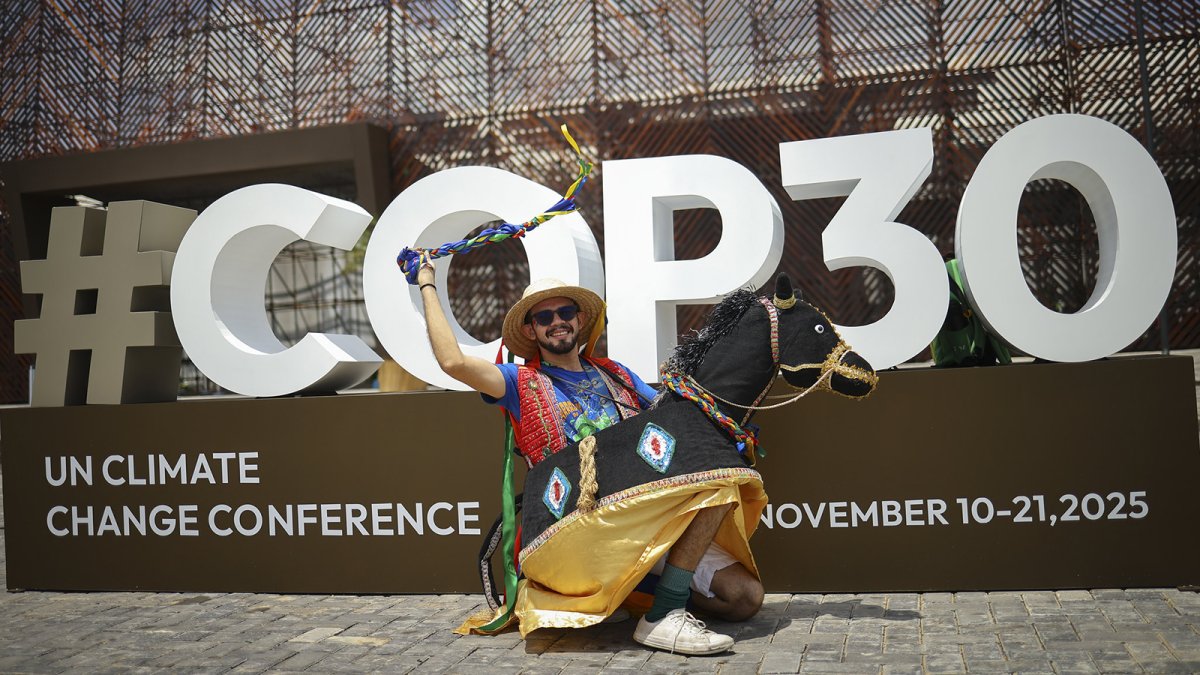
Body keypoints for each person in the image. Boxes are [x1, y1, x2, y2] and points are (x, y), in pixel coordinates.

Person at [416, 260, 763, 654]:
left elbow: (674, 420)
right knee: (715, 484)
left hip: (644, 514)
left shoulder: (616, 374)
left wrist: (726, 429)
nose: (557, 321)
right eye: (544, 316)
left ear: (580, 320)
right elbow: (453, 363)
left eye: (565, 312)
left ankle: (633, 592)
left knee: (744, 597)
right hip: (578, 524)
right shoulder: (518, 382)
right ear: (531, 330)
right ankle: (663, 615)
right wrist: (427, 284)